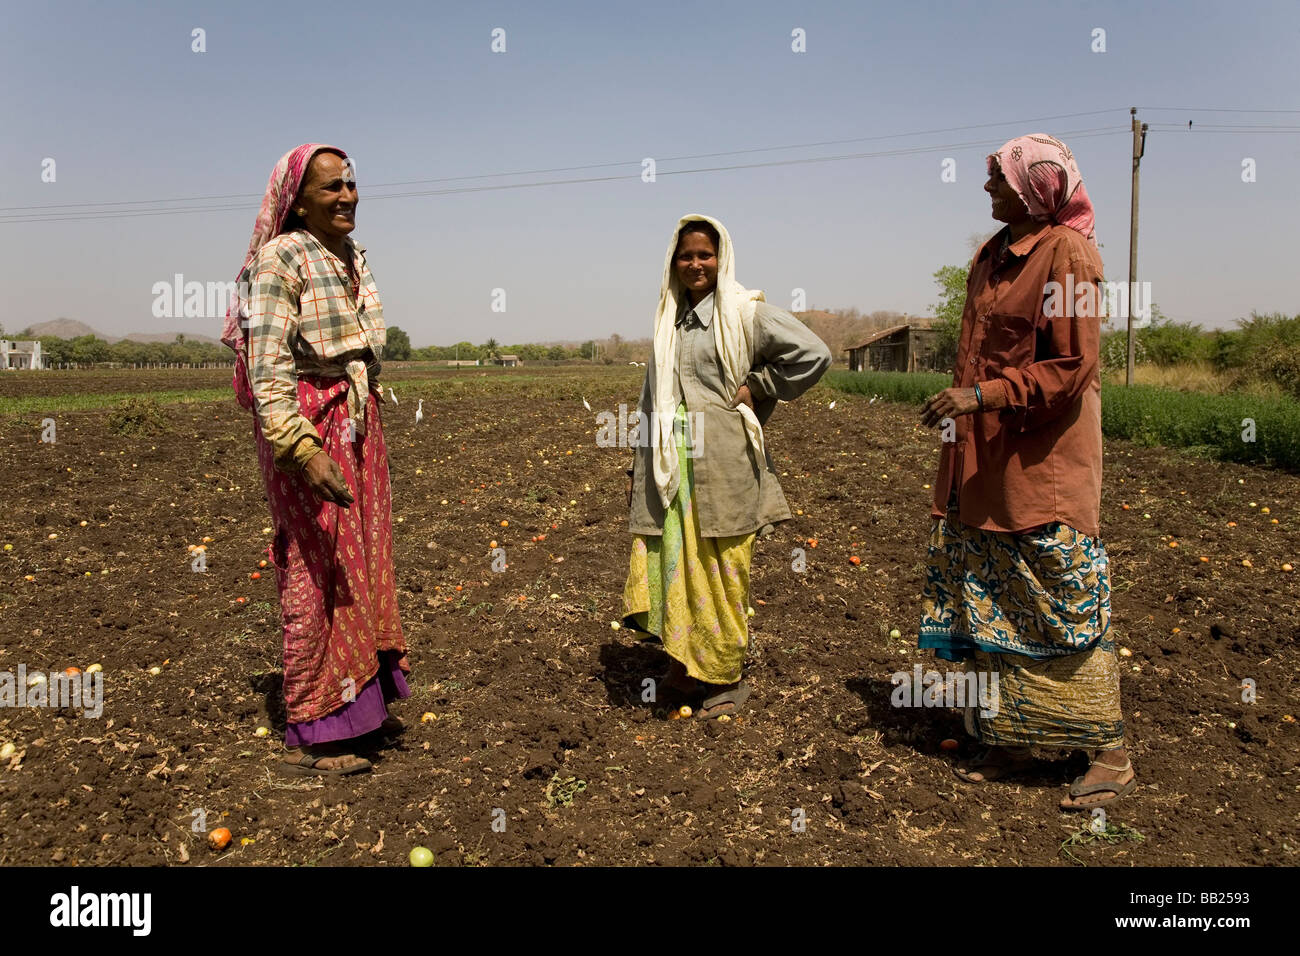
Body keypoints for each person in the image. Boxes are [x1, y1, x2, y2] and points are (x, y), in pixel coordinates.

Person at [918, 134, 1135, 810]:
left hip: (1041, 467)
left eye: (997, 179)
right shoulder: (991, 254)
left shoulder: (1068, 254)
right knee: (995, 595)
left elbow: (1072, 367)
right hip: (982, 463)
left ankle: (1110, 753)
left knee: (1058, 598)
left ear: (1036, 187)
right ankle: (1013, 737)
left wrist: (983, 397)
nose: (986, 188)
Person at [220, 143, 409, 776]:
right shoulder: (280, 260)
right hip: (308, 425)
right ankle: (320, 724)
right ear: (296, 201)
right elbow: (267, 363)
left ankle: (362, 707)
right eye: (330, 188)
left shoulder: (352, 255)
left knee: (361, 556)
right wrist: (302, 448)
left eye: (350, 184)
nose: (347, 196)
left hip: (355, 422)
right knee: (316, 562)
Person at [622, 214, 831, 719]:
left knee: (722, 566)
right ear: (673, 262)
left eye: (705, 255)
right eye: (686, 255)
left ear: (722, 259)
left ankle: (724, 674)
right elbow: (653, 396)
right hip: (671, 465)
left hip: (725, 462)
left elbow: (814, 354)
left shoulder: (744, 313)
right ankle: (682, 663)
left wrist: (758, 386)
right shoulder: (668, 318)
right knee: (674, 558)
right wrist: (639, 458)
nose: (695, 264)